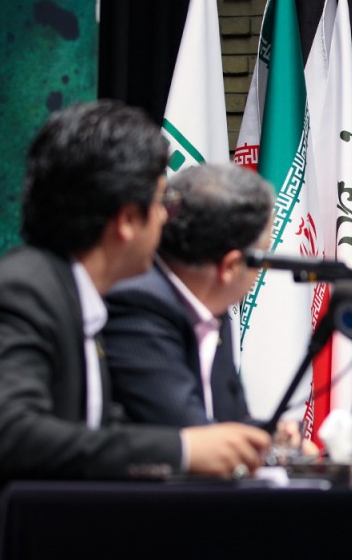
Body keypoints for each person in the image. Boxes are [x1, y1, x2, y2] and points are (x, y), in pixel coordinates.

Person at [0, 101, 272, 560]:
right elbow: (9, 435)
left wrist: (205, 446)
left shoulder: (68, 293)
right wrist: (181, 450)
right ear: (126, 221)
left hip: (35, 551)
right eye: (159, 204)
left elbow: (94, 428)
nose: (165, 220)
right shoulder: (21, 294)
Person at [101, 163, 273, 427]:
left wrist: (274, 436)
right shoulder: (136, 305)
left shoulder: (213, 304)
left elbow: (231, 418)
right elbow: (189, 432)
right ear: (230, 267)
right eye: (262, 257)